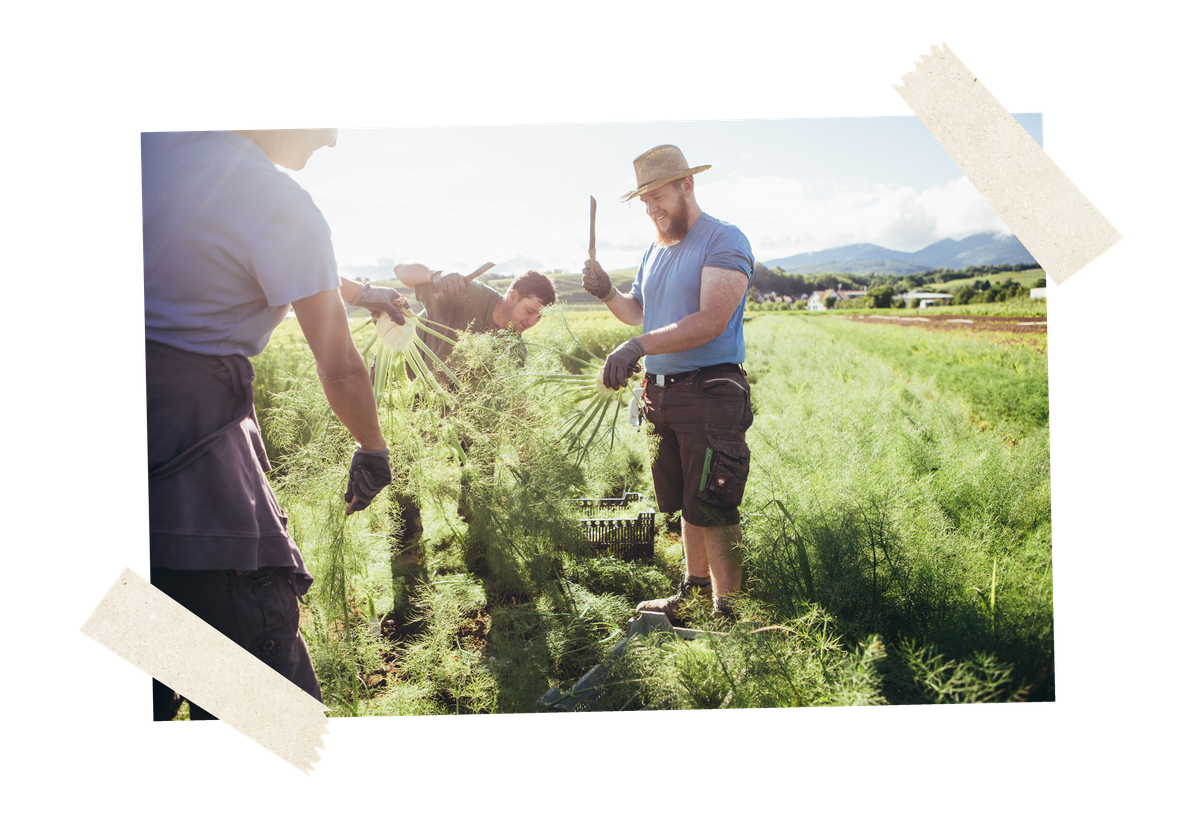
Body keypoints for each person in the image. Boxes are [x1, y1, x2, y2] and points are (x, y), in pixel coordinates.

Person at [144, 127, 397, 721]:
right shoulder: (274, 197)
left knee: (139, 638)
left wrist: (361, 292)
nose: (332, 140)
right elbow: (339, 368)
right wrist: (373, 447)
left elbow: (223, 250)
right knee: (265, 714)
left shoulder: (157, 151)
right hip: (192, 484)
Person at [581, 145, 754, 623]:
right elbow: (641, 314)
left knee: (713, 503)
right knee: (684, 502)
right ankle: (695, 593)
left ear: (687, 185)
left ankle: (729, 612)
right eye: (645, 200)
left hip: (709, 392)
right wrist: (606, 293)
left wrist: (636, 347)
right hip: (662, 394)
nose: (652, 207)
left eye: (659, 195)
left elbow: (710, 320)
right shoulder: (654, 251)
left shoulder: (723, 240)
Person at [342, 266, 556, 614]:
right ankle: (408, 560)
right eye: (529, 311)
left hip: (458, 407)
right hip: (408, 387)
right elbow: (403, 272)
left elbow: (514, 403)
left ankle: (481, 539)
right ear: (513, 296)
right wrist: (439, 276)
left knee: (482, 456)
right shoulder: (470, 294)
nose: (531, 322)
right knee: (405, 470)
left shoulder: (514, 347)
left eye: (538, 317)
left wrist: (531, 446)